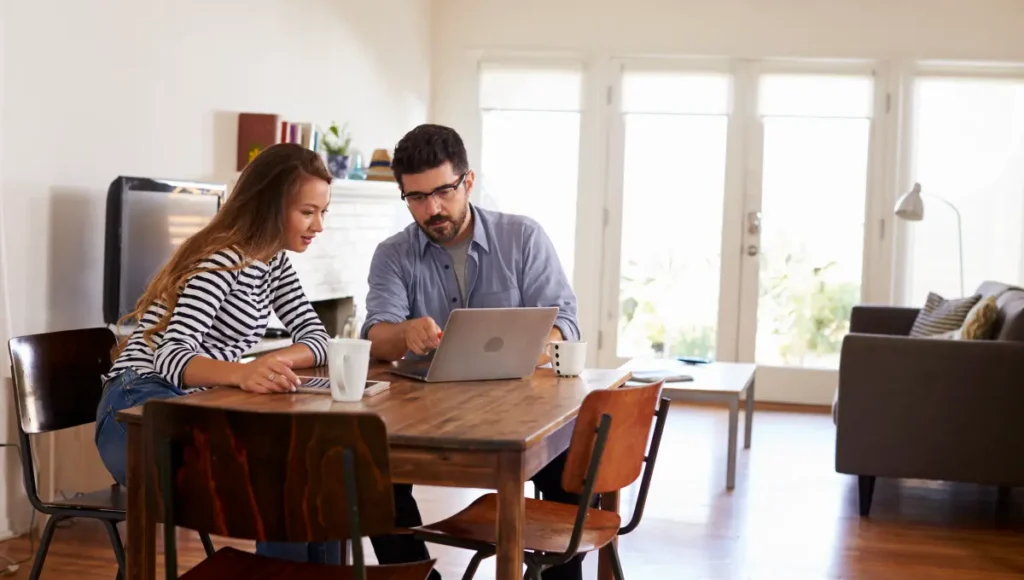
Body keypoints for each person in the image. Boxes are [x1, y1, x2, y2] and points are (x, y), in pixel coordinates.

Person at [94, 143, 341, 565]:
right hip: (136, 411)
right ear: (269, 205)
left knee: (317, 477)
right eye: (307, 211)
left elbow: (318, 338)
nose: (318, 225)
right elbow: (170, 356)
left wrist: (275, 363)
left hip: (192, 405)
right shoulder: (221, 259)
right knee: (281, 480)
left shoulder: (272, 263)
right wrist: (243, 374)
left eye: (323, 212)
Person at [360, 124, 584, 580]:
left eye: (443, 191)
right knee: (372, 476)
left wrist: (533, 347)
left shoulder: (523, 237)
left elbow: (565, 326)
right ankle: (418, 576)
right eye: (416, 197)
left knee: (569, 472)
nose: (432, 208)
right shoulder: (393, 254)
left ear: (469, 181)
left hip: (521, 410)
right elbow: (376, 336)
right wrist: (405, 333)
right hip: (424, 416)